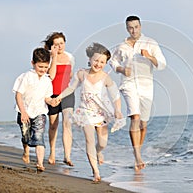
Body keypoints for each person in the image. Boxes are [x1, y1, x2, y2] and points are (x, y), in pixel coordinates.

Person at [56, 42, 124, 182]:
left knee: (102, 143)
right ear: (90, 59)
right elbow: (71, 88)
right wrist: (59, 97)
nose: (98, 64)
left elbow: (115, 95)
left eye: (102, 62)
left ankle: (99, 152)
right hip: (85, 112)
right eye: (96, 60)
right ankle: (96, 171)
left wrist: (118, 110)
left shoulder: (106, 77)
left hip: (102, 113)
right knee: (89, 139)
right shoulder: (82, 73)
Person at [109, 15, 166, 171]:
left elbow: (162, 64)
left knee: (143, 123)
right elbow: (112, 61)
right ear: (127, 28)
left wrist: (149, 56)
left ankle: (138, 151)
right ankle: (137, 156)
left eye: (136, 27)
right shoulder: (122, 46)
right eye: (130, 28)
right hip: (128, 84)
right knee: (135, 116)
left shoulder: (150, 43)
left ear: (140, 26)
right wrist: (121, 69)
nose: (133, 30)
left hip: (146, 86)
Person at [13, 47, 58, 172]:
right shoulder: (26, 77)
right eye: (40, 67)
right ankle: (26, 151)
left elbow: (47, 97)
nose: (43, 70)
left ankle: (40, 163)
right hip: (24, 111)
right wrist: (23, 112)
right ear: (33, 63)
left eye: (45, 67)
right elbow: (18, 95)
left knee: (39, 136)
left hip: (40, 112)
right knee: (26, 136)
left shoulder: (47, 80)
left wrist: (52, 101)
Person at [43, 32, 75, 166]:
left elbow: (71, 75)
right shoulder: (48, 58)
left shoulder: (70, 57)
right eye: (56, 44)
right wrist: (54, 57)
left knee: (67, 123)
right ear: (51, 46)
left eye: (61, 43)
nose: (59, 46)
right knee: (53, 125)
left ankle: (67, 156)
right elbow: (50, 76)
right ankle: (52, 153)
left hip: (66, 94)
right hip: (52, 96)